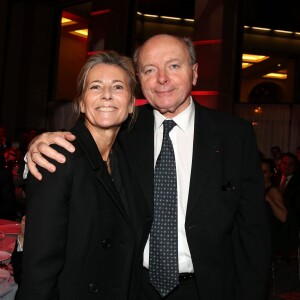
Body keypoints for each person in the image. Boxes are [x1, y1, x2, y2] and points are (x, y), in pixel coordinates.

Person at [26, 34, 271, 300]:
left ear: (195, 72)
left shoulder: (235, 136)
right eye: (150, 70)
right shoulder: (123, 129)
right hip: (133, 287)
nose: (162, 78)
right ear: (140, 82)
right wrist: (38, 146)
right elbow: (84, 150)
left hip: (209, 289)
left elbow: (253, 235)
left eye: (174, 66)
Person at [16, 50, 137, 299]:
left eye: (117, 87)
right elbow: (39, 271)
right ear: (81, 102)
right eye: (95, 87)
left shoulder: (126, 159)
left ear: (132, 104)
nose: (106, 95)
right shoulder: (58, 157)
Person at [260, 158, 287, 255]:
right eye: (259, 171)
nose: (261, 174)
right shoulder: (256, 188)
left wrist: (269, 199)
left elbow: (283, 217)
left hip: (268, 237)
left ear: (271, 174)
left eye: (264, 172)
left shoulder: (272, 191)